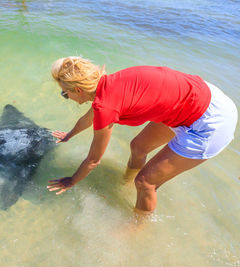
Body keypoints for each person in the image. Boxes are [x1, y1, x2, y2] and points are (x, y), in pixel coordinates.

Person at [47, 56, 238, 215]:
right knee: (138, 147)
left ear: (78, 90)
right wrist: (69, 135)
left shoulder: (105, 106)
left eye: (65, 94)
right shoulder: (110, 83)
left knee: (145, 182)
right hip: (205, 98)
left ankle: (138, 227)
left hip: (211, 124)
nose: (66, 97)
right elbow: (88, 118)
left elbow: (93, 160)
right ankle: (126, 182)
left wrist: (71, 181)